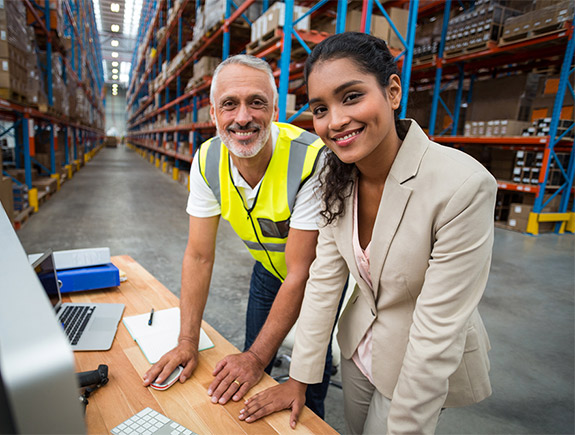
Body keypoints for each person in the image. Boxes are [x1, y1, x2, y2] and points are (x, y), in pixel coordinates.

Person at [239, 32, 496, 434]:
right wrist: (299, 378)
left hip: (417, 357)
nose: (336, 121)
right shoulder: (332, 172)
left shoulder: (462, 185)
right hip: (358, 346)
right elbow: (324, 279)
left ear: (392, 91)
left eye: (352, 96)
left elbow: (435, 334)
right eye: (320, 108)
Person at [142, 54, 335, 418]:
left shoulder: (313, 159)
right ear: (213, 115)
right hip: (267, 271)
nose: (243, 117)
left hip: (319, 280)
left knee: (308, 383)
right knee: (250, 368)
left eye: (256, 103)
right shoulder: (206, 161)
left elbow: (301, 274)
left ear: (275, 110)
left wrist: (256, 358)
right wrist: (187, 342)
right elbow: (199, 255)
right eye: (229, 104)